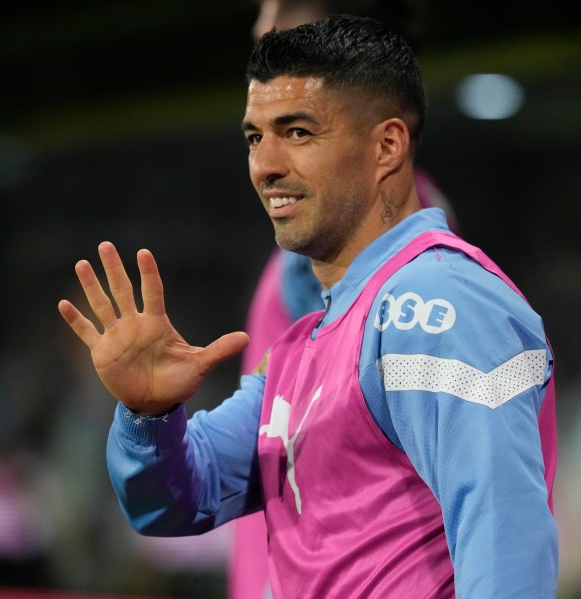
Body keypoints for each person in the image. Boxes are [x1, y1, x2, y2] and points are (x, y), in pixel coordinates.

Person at [58, 15, 558, 598]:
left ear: (387, 146)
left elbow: (505, 546)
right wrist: (150, 416)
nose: (265, 165)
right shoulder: (309, 340)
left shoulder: (435, 305)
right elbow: (177, 503)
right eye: (254, 137)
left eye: (297, 132)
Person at [237, 3, 457, 596]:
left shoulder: (359, 238)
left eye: (281, 5)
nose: (262, 23)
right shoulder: (350, 223)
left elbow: (332, 451)